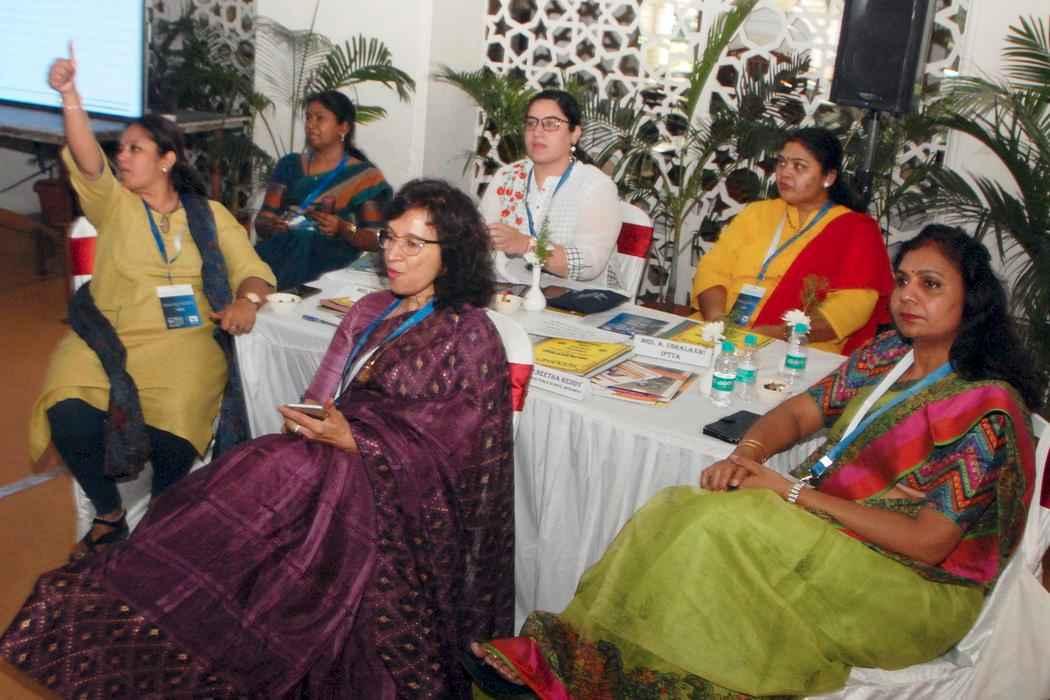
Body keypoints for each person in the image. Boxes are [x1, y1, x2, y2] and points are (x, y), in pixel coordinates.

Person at [468, 224, 1043, 699]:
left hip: (913, 590)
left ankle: (648, 683)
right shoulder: (890, 354)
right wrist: (748, 454)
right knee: (677, 505)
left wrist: (789, 493)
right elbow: (799, 412)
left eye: (931, 284)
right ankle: (575, 660)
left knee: (722, 531)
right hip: (835, 533)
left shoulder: (985, 407)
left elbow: (929, 543)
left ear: (971, 303)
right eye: (903, 281)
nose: (908, 295)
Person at [0, 178, 515, 699]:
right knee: (223, 500)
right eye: (390, 238)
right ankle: (118, 620)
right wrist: (311, 420)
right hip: (322, 458)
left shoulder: (470, 335)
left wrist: (361, 443)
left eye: (414, 244)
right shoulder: (371, 309)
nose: (394, 255)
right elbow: (325, 390)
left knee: (261, 512)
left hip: (395, 498)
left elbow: (462, 452)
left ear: (451, 254)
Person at [33, 47, 275, 557]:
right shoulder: (114, 203)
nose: (122, 156)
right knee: (65, 402)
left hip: (184, 339)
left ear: (167, 160)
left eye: (135, 149)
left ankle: (162, 515)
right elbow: (88, 160)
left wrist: (248, 302)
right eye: (121, 148)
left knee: (180, 411)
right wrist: (70, 96)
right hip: (111, 333)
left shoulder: (208, 214)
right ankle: (109, 514)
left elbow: (253, 271)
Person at [691, 127, 894, 354]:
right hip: (721, 332)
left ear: (828, 177)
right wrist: (717, 319)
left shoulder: (856, 229)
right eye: (782, 163)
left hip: (794, 346)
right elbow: (713, 269)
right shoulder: (757, 212)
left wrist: (775, 335)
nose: (785, 173)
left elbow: (851, 307)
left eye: (799, 166)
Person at [479, 89, 620, 284]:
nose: (537, 132)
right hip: (508, 290)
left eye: (551, 124)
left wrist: (527, 246)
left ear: (574, 134)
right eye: (531, 123)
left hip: (574, 296)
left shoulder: (595, 186)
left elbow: (589, 264)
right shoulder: (507, 177)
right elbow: (480, 237)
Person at [255, 90, 393, 289]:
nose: (311, 125)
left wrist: (343, 228)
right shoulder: (289, 165)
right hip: (280, 254)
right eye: (308, 118)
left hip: (330, 265)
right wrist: (272, 224)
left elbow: (376, 238)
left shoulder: (364, 176)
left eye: (320, 118)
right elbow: (262, 220)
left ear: (343, 127)